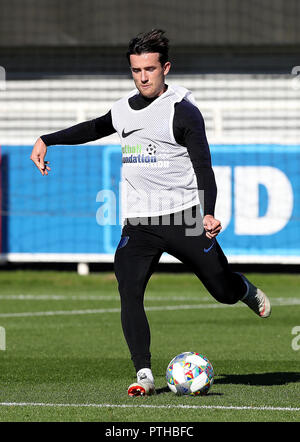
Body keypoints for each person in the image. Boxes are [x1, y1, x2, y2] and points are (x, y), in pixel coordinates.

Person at [30, 29, 271, 397]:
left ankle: (243, 289)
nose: (143, 76)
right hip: (139, 223)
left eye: (150, 69)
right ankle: (143, 373)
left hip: (184, 217)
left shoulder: (183, 112)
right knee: (129, 289)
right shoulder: (124, 108)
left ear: (166, 68)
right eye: (136, 70)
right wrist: (48, 139)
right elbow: (94, 127)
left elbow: (204, 166)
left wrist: (209, 213)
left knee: (221, 290)